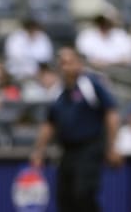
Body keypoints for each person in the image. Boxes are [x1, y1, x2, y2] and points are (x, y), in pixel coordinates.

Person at [30, 47, 121, 212]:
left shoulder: (90, 85)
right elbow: (49, 124)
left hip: (90, 148)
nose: (64, 67)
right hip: (67, 151)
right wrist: (39, 151)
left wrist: (112, 146)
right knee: (65, 198)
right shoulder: (58, 91)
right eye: (62, 63)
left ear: (79, 64)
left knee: (83, 194)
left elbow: (111, 113)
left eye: (68, 62)